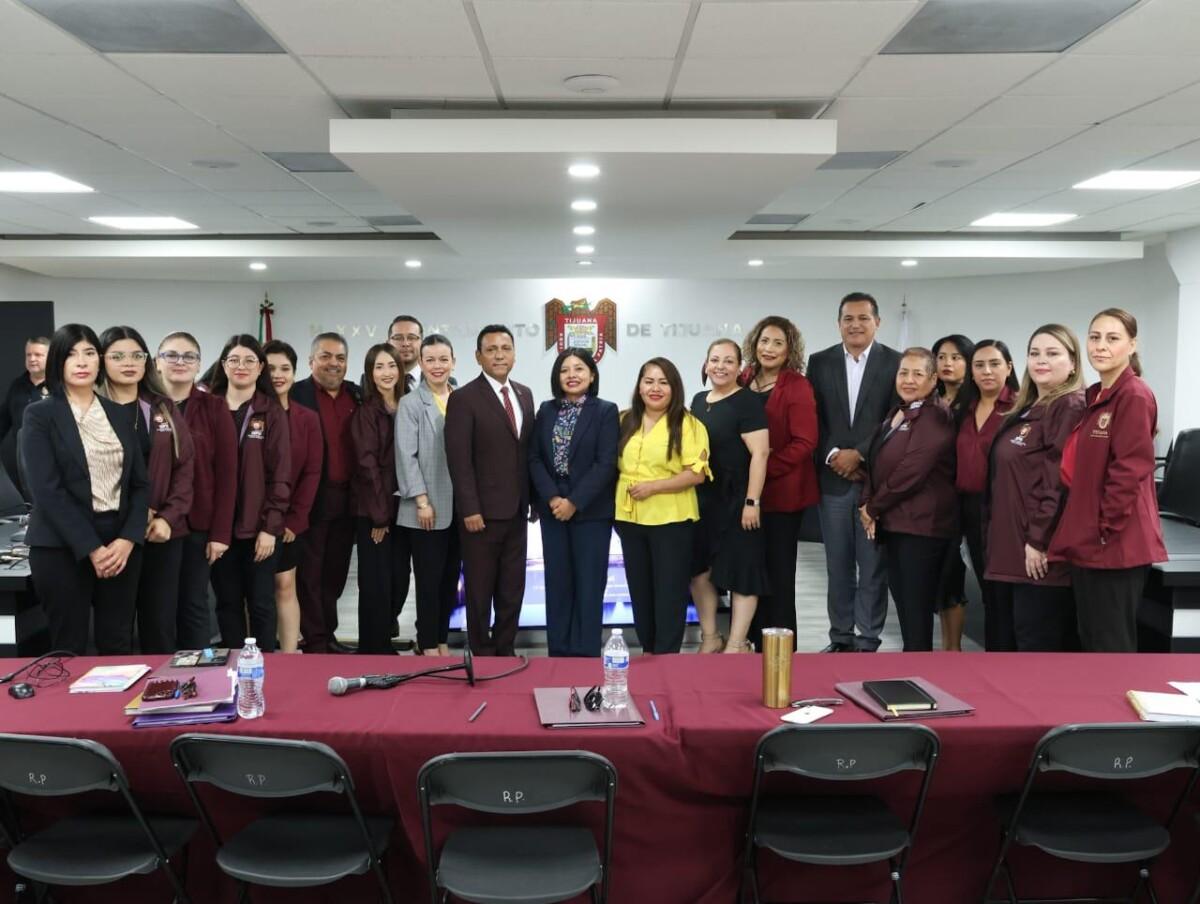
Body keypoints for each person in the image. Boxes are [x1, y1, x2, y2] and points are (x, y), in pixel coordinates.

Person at [21, 324, 149, 654]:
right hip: (62, 545)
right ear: (58, 363)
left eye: (90, 353)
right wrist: (93, 548)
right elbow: (47, 491)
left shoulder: (120, 415)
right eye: (71, 354)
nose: (82, 362)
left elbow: (138, 484)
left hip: (119, 544)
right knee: (70, 647)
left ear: (100, 360)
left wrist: (127, 539)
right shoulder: (40, 415)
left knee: (118, 643)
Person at [1049, 309, 1166, 653]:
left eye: (1112, 339)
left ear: (1132, 345)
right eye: (1094, 337)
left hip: (1114, 542)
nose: (1100, 346)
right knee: (1092, 637)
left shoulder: (1134, 395)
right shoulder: (1098, 393)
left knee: (1110, 643)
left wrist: (1103, 527)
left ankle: (1116, 706)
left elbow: (1129, 470)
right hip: (1091, 539)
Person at [807, 292, 901, 652]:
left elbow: (894, 417)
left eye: (863, 318)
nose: (855, 325)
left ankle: (868, 638)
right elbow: (815, 417)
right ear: (838, 323)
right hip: (832, 479)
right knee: (838, 566)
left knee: (873, 566)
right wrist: (833, 454)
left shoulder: (894, 363)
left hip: (872, 482)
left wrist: (859, 454)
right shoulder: (820, 362)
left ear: (877, 322)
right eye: (848, 318)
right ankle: (841, 636)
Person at [987, 326, 1086, 652]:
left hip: (1037, 554)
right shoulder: (1026, 408)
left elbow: (1058, 479)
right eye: (1035, 353)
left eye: (1053, 353)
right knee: (1007, 648)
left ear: (1073, 363)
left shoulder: (1068, 406)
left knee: (1035, 652)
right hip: (1009, 549)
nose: (1041, 361)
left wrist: (1038, 539)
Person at [98, 326, 195, 654]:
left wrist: (167, 517)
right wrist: (135, 516)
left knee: (159, 625)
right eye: (118, 356)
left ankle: (161, 695)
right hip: (112, 536)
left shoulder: (162, 407)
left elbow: (185, 468)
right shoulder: (90, 410)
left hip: (161, 533)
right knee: (115, 627)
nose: (129, 363)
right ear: (102, 361)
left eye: (136, 355)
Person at [444, 325, 536, 656]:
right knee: (480, 591)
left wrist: (534, 501)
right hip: (480, 515)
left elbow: (527, 453)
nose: (499, 354)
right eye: (492, 349)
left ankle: (505, 649)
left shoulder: (525, 394)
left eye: (505, 348)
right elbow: (459, 459)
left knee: (512, 589)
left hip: (517, 511)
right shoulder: (464, 398)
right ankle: (481, 652)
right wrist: (469, 508)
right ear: (478, 356)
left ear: (514, 353)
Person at [858, 348, 957, 652]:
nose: (909, 380)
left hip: (922, 528)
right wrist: (867, 503)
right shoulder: (899, 411)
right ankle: (912, 669)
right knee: (905, 608)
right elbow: (874, 460)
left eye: (917, 374)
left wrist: (873, 507)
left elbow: (911, 470)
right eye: (904, 372)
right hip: (897, 523)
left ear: (933, 378)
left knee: (915, 613)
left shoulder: (935, 414)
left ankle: (921, 678)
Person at [614, 358, 711, 654]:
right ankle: (647, 649)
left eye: (663, 382)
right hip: (629, 519)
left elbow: (696, 474)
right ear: (639, 385)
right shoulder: (623, 420)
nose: (655, 388)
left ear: (674, 388)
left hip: (672, 519)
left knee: (669, 592)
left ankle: (667, 656)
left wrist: (653, 487)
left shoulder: (689, 424)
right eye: (649, 381)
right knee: (640, 591)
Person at [529, 348, 619, 657]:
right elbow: (535, 457)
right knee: (557, 584)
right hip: (553, 509)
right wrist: (553, 497)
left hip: (591, 512)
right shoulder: (546, 410)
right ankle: (559, 652)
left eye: (579, 368)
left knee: (590, 584)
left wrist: (574, 502)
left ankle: (585, 653)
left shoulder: (606, 411)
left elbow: (606, 463)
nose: (572, 375)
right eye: (565, 369)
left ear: (592, 375)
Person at [739, 315, 818, 648]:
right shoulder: (744, 379)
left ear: (789, 350)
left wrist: (762, 469)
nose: (768, 349)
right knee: (749, 570)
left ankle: (782, 649)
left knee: (779, 574)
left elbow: (805, 442)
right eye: (764, 341)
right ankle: (753, 641)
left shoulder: (797, 386)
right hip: (744, 497)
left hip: (783, 497)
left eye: (777, 343)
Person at [207, 335, 290, 653]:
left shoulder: (271, 411)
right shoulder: (208, 407)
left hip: (260, 529)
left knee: (261, 604)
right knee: (226, 603)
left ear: (260, 368)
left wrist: (270, 528)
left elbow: (281, 475)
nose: (241, 366)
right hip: (218, 530)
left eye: (249, 361)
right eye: (234, 360)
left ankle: (268, 668)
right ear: (223, 365)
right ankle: (231, 671)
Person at [156, 332, 238, 649]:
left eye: (189, 356)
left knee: (194, 603)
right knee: (158, 607)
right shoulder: (145, 405)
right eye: (172, 355)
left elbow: (228, 475)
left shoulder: (214, 408)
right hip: (156, 524)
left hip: (198, 524)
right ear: (157, 362)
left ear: (199, 364)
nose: (180, 362)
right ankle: (159, 678)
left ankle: (199, 679)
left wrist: (220, 534)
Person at [690, 339, 769, 654]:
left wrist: (752, 502)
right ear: (706, 364)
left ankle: (737, 643)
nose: (720, 366)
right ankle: (710, 637)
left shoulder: (748, 402)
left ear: (740, 368)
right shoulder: (698, 400)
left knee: (742, 571)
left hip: (738, 499)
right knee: (699, 571)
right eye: (714, 360)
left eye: (728, 361)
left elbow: (760, 454)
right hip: (702, 498)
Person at [291, 333, 361, 653]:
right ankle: (315, 640)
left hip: (349, 500)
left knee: (335, 573)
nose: (333, 363)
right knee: (310, 573)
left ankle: (328, 635)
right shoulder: (296, 394)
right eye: (326, 356)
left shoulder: (358, 396)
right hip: (311, 500)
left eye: (340, 358)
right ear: (311, 361)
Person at [396, 334, 460, 657]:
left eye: (443, 359)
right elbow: (405, 456)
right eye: (430, 360)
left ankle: (442, 638)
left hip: (459, 508)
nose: (437, 366)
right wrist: (421, 500)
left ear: (453, 361)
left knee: (450, 580)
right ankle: (427, 643)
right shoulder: (410, 403)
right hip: (426, 508)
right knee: (428, 580)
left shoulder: (461, 398)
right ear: (420, 363)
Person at [955, 339, 1020, 650]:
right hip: (968, 510)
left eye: (995, 363)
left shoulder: (1021, 408)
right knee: (986, 589)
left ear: (1009, 367)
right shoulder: (962, 409)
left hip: (1004, 510)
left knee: (1003, 591)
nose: (987, 371)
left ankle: (1005, 656)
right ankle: (994, 655)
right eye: (979, 365)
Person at [264, 340, 323, 653]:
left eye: (285, 368)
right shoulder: (250, 414)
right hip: (253, 521)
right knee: (255, 593)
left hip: (289, 524)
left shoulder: (307, 418)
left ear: (294, 372)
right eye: (271, 368)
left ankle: (289, 657)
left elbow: (312, 473)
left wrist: (294, 520)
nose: (278, 374)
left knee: (285, 585)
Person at [351, 343, 407, 655]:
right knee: (375, 584)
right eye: (379, 367)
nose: (386, 373)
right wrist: (379, 516)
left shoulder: (408, 405)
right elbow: (367, 465)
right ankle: (373, 649)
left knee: (399, 579)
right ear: (370, 374)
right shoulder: (367, 412)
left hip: (403, 509)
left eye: (391, 366)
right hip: (375, 512)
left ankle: (383, 640)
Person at [931, 334, 975, 651]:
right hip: (933, 503)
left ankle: (953, 648)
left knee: (954, 574)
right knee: (942, 579)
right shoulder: (931, 400)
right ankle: (946, 647)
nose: (947, 363)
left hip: (964, 502)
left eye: (956, 357)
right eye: (942, 357)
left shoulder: (974, 403)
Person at [0, 336, 49, 498]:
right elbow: (4, 419)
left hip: (53, 459)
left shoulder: (60, 386)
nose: (32, 359)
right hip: (23, 459)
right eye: (29, 355)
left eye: (38, 355)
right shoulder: (17, 385)